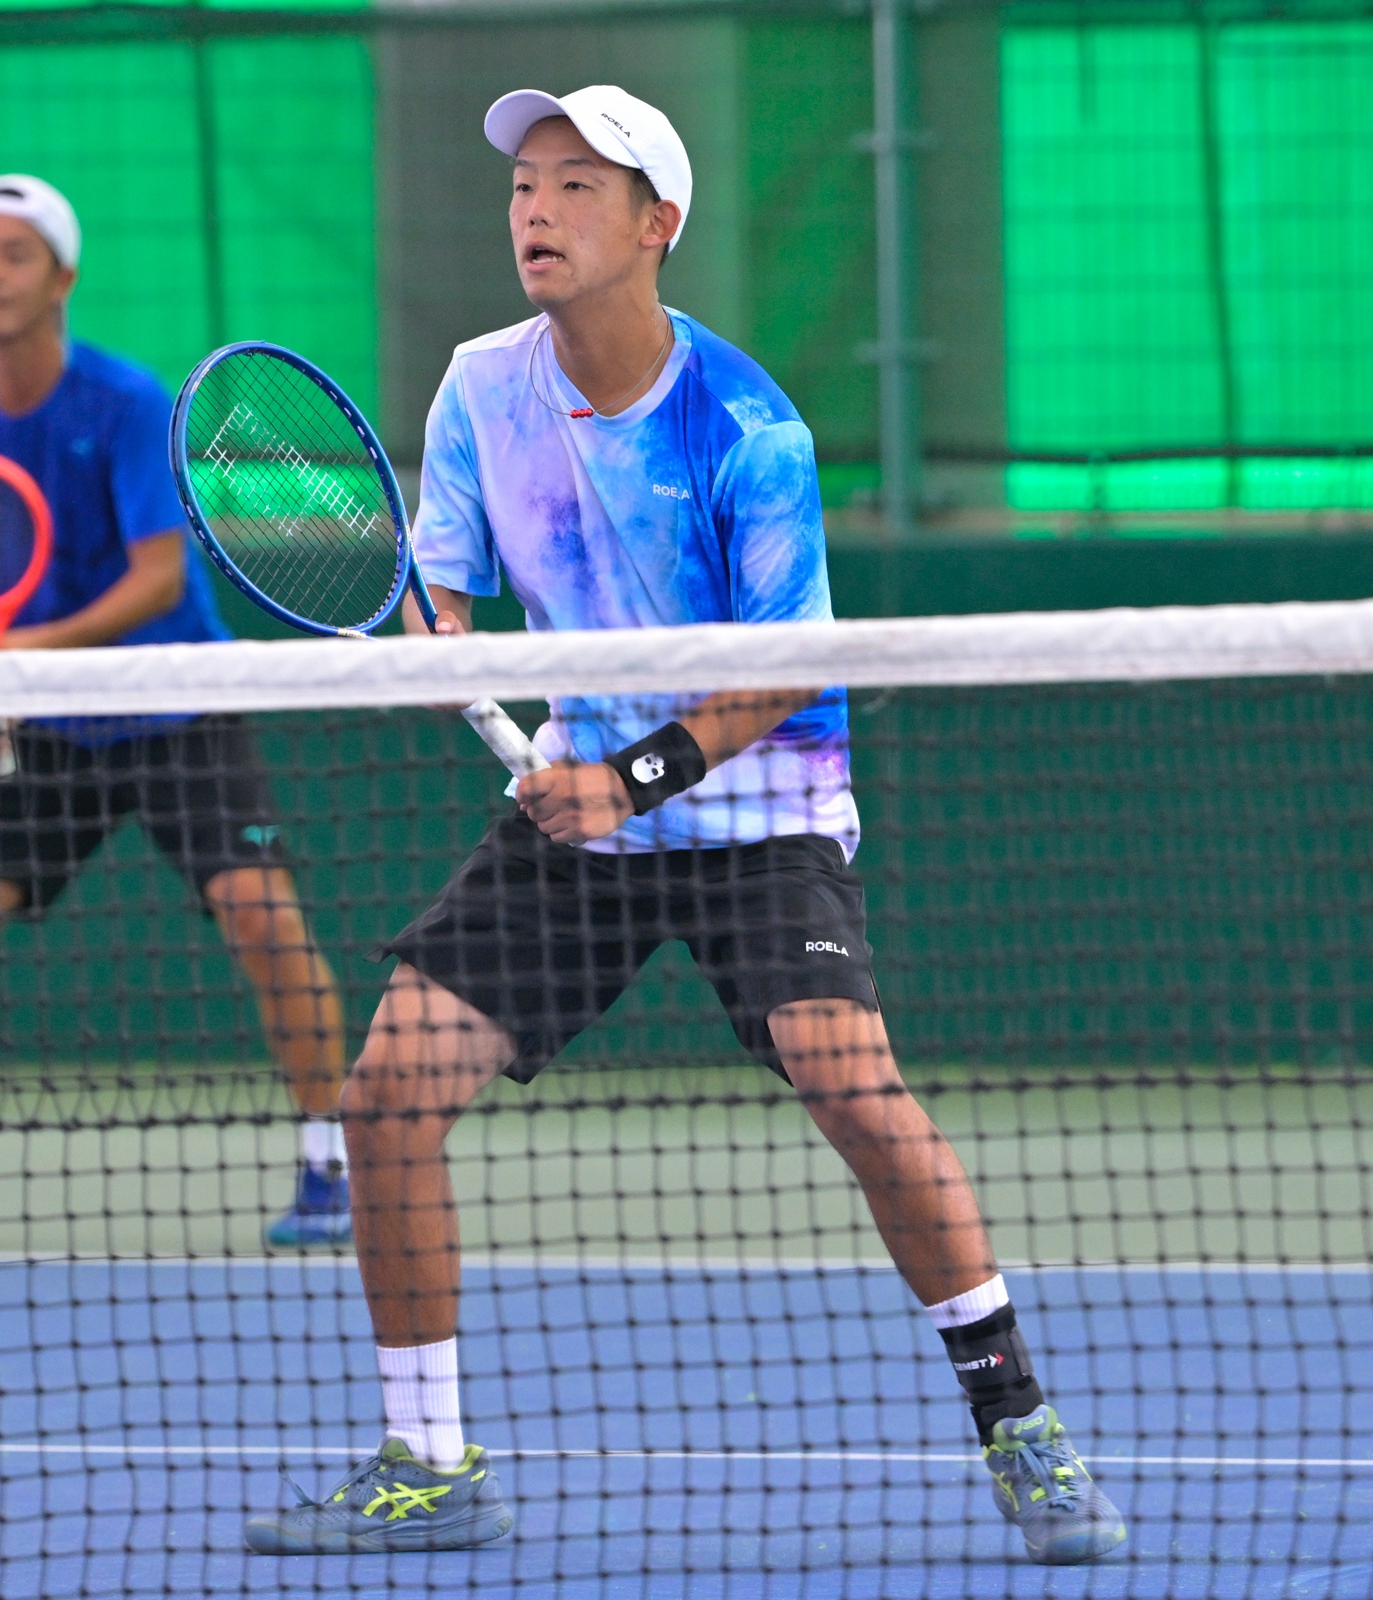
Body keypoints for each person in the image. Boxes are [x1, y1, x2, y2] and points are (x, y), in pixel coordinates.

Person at [243, 89, 1130, 1563]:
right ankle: (429, 1462)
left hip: (758, 808)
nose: (535, 209)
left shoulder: (747, 428)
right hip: (577, 816)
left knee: (849, 1084)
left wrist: (629, 778)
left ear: (656, 223)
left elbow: (782, 669)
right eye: (523, 185)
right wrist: (442, 631)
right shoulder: (478, 386)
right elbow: (442, 579)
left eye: (574, 185)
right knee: (384, 1097)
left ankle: (1017, 1422)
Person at [0, 174, 354, 1251]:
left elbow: (157, 579)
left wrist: (17, 656)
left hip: (174, 706)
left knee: (263, 916)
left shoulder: (127, 402)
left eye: (13, 254)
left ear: (61, 279)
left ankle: (330, 1161)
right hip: (44, 729)